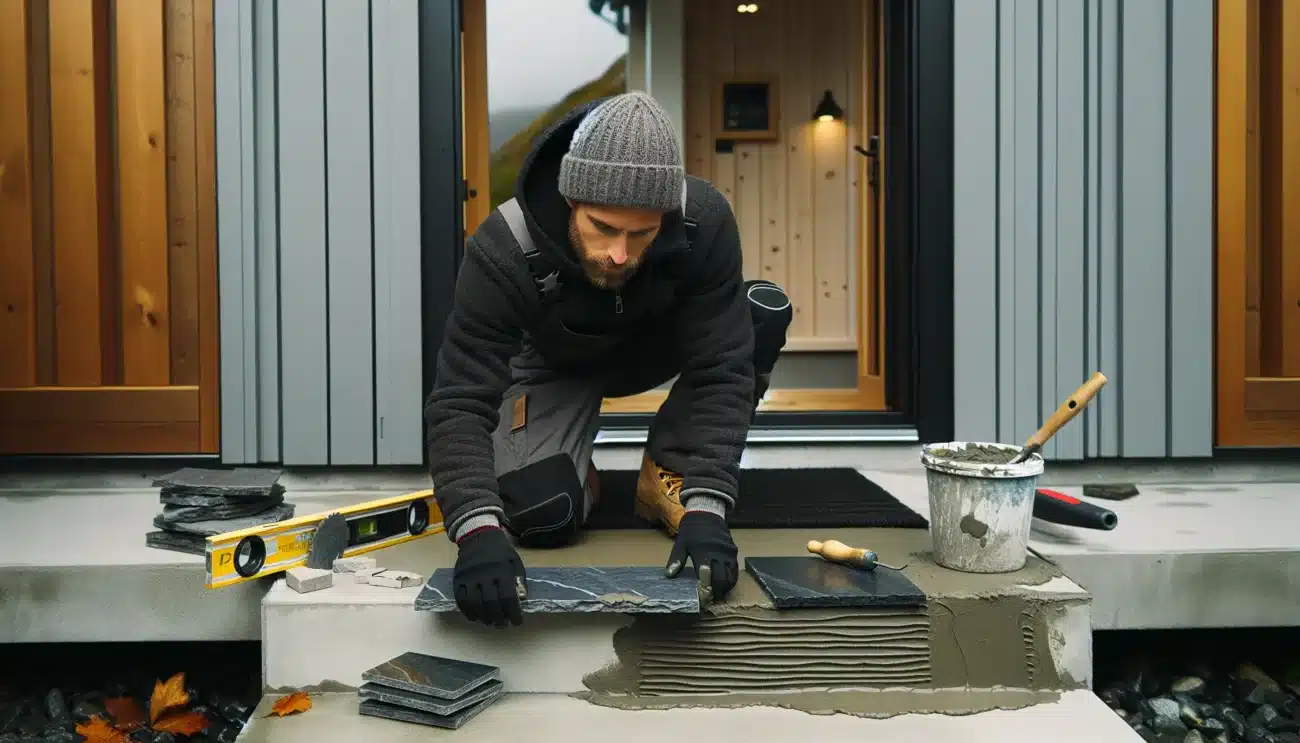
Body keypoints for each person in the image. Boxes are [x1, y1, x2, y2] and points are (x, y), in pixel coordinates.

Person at [423, 91, 792, 628]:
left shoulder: (704, 222)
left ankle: (672, 468)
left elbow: (722, 370)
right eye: (604, 228)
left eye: (642, 234)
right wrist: (477, 528)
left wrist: (708, 504)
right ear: (571, 199)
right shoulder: (504, 246)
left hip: (655, 345)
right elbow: (460, 398)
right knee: (542, 513)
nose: (620, 254)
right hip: (554, 362)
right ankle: (574, 472)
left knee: (756, 317)